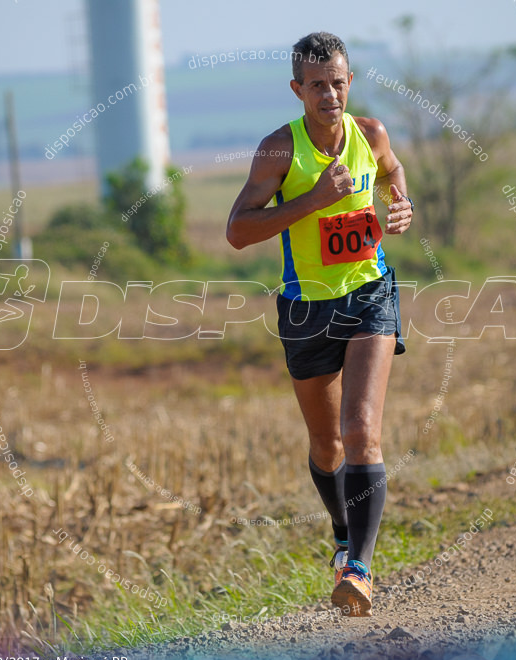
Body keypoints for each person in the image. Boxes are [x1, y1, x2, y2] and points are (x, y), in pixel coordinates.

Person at [226, 32, 413, 616]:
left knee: (361, 430)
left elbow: (391, 169)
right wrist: (311, 199)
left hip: (369, 294)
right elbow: (238, 230)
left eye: (337, 82)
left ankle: (358, 567)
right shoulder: (280, 151)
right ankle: (341, 533)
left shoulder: (371, 133)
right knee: (327, 443)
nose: (329, 94)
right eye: (316, 86)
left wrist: (399, 199)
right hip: (305, 308)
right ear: (297, 90)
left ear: (349, 82)